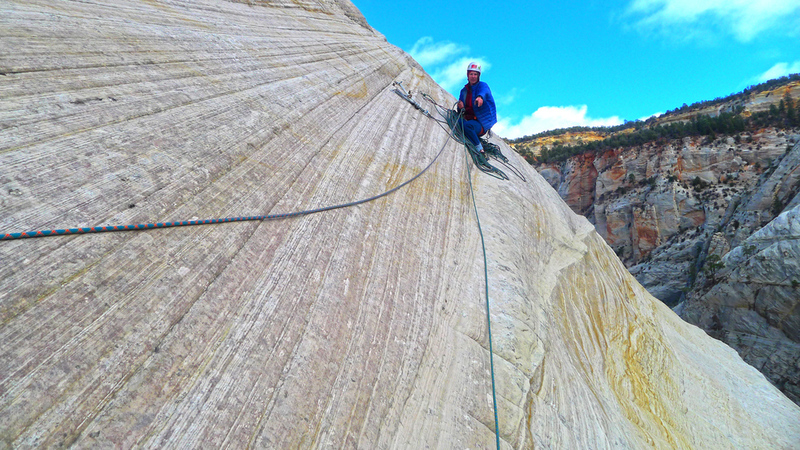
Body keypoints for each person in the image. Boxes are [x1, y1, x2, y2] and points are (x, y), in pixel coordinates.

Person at [457, 62, 497, 154]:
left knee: (467, 126)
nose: (473, 76)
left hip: (480, 123)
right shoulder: (463, 91)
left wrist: (480, 97)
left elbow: (484, 92)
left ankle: (480, 149)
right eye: (471, 74)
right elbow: (460, 110)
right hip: (468, 120)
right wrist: (460, 107)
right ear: (468, 75)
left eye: (475, 74)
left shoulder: (482, 85)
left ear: (478, 76)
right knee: (458, 122)